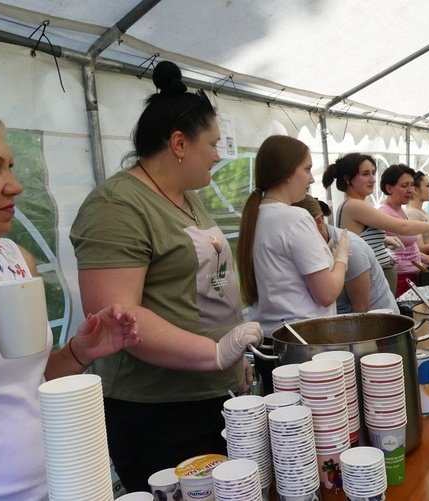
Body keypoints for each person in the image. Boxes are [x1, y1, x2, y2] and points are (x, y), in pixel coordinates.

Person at [0, 92, 143, 501]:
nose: (15, 184)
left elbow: (29, 385)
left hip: (60, 488)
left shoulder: (15, 260)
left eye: (9, 165)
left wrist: (79, 353)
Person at [69, 61, 263, 493]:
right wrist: (212, 354)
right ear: (179, 143)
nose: (218, 154)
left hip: (212, 396)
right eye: (212, 144)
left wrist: (232, 361)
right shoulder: (117, 206)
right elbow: (116, 315)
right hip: (158, 412)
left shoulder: (187, 199)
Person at [236, 135, 350, 338]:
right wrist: (341, 258)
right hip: (303, 341)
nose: (312, 178)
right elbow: (327, 294)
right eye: (307, 169)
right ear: (286, 171)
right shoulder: (294, 217)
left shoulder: (256, 215)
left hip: (270, 337)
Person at [322, 153, 429, 296]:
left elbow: (364, 240)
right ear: (348, 179)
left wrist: (384, 241)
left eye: (373, 173)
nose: (372, 179)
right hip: (371, 281)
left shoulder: (355, 205)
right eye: (365, 174)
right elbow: (402, 227)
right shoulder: (354, 205)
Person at [293, 195, 399, 314]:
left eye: (297, 229)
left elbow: (361, 310)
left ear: (318, 222)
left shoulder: (351, 247)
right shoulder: (307, 248)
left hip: (377, 321)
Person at [378, 164, 429, 297]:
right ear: (389, 188)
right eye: (404, 186)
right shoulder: (384, 213)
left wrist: (428, 259)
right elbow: (404, 230)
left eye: (411, 185)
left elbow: (408, 247)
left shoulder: (401, 210)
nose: (410, 190)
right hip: (401, 278)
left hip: (414, 274)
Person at [405, 170, 429, 256]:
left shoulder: (421, 211)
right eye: (427, 186)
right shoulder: (412, 213)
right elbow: (420, 248)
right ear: (415, 190)